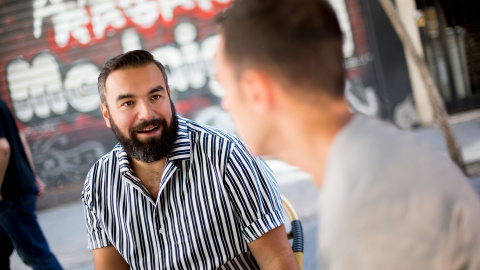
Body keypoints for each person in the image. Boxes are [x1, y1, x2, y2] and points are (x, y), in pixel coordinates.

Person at [214, 0, 480, 269]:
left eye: (225, 86)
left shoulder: (368, 212)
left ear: (256, 91)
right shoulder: (370, 159)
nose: (225, 104)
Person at [81, 50, 298, 270]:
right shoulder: (98, 184)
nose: (146, 114)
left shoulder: (227, 155)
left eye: (155, 97)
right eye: (128, 103)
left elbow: (277, 261)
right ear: (107, 115)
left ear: (169, 95)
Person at [0, 98, 63, 270]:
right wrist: (33, 176)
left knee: (38, 258)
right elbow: (20, 138)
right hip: (18, 191)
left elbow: (2, 147)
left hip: (10, 197)